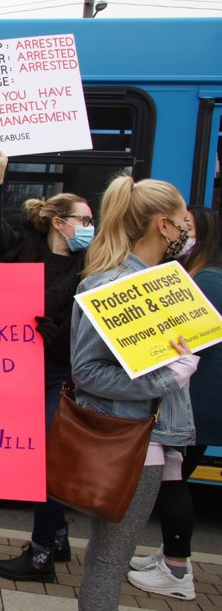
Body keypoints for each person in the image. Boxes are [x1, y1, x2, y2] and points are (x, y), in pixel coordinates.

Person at [69, 175, 197, 611]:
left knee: (108, 559)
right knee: (108, 561)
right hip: (132, 444)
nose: (188, 231)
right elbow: (87, 372)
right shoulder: (111, 285)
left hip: (151, 441)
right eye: (184, 222)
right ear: (164, 225)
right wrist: (169, 378)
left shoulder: (165, 281)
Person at [0, 151, 93, 582]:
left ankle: (42, 555)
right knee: (35, 459)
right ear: (58, 221)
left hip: (58, 378)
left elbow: (86, 329)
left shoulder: (90, 265)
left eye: (90, 221)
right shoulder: (25, 249)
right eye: (82, 220)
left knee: (44, 462)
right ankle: (59, 537)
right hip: (18, 373)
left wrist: (56, 336)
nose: (89, 227)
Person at [126, 205, 222, 601]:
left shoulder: (208, 280)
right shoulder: (205, 275)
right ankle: (169, 554)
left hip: (196, 404)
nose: (182, 235)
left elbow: (192, 343)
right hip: (200, 402)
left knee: (174, 480)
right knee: (176, 478)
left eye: (189, 228)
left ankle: (177, 570)